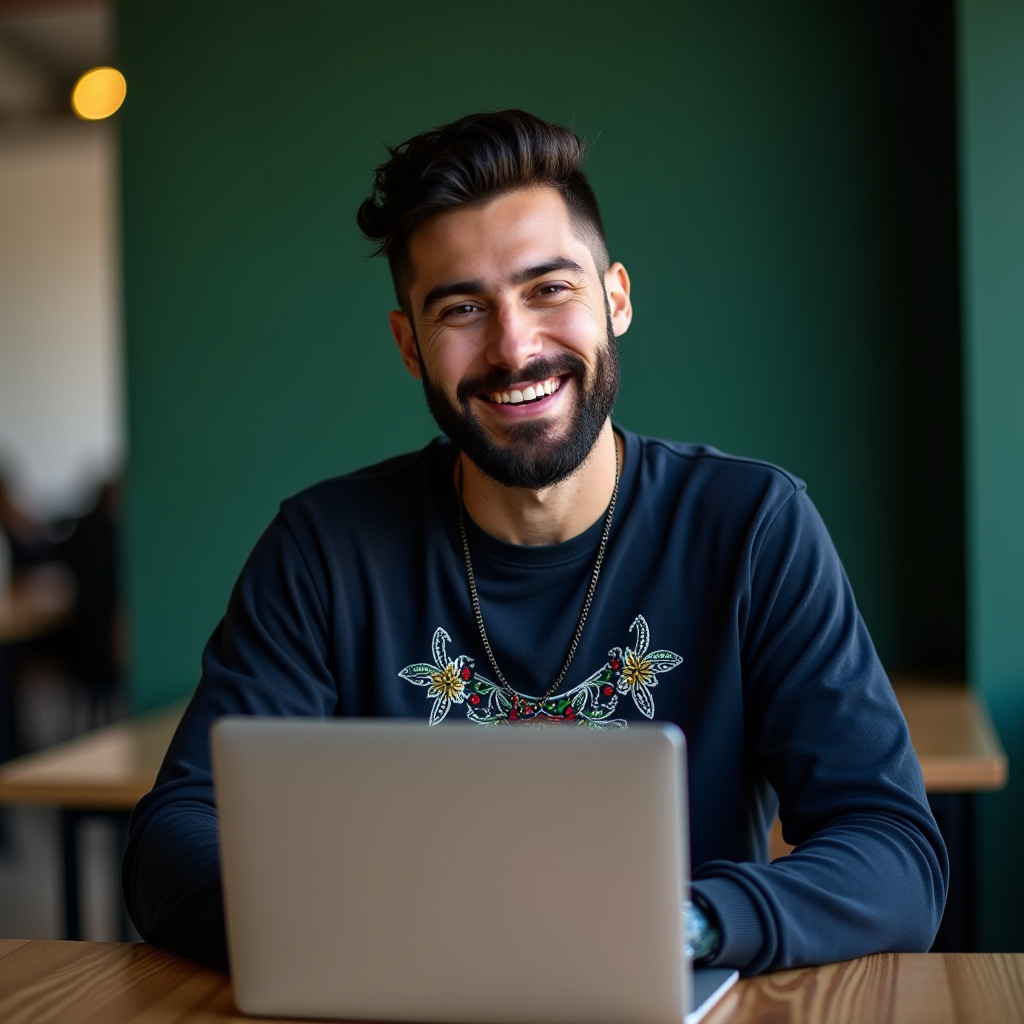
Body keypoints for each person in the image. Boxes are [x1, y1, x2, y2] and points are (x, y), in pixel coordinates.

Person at [122, 110, 947, 974]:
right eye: (462, 309)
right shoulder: (323, 550)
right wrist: (373, 933)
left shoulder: (751, 527)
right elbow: (173, 838)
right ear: (410, 346)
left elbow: (894, 852)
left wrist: (682, 929)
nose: (514, 348)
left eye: (549, 289)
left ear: (615, 299)